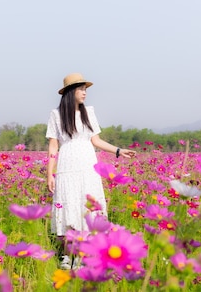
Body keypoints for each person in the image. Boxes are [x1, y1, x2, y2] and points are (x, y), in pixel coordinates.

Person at [45, 72, 136, 269]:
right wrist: (49, 174)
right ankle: (68, 256)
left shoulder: (89, 112)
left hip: (87, 165)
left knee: (87, 207)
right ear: (70, 92)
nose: (85, 93)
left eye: (86, 89)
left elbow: (96, 141)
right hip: (67, 166)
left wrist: (119, 151)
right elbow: (53, 147)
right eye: (81, 89)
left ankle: (83, 255)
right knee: (68, 206)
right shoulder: (56, 115)